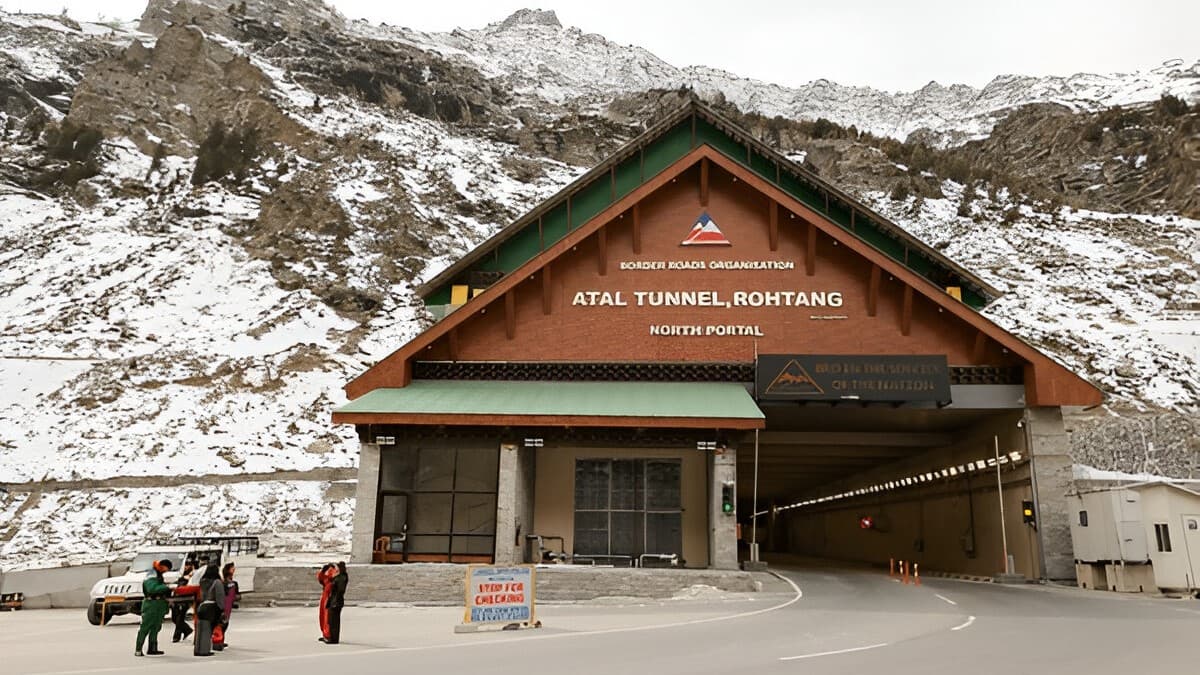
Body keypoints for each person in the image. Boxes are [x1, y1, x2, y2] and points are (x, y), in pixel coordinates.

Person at [135, 559, 172, 657]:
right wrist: (167, 587)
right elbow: (152, 589)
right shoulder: (151, 575)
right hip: (151, 604)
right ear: (163, 566)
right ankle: (138, 649)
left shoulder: (158, 574)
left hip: (159, 604)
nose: (166, 571)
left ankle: (153, 648)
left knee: (156, 627)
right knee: (145, 627)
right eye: (166, 569)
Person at [193, 563, 225, 657]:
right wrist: (221, 609)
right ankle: (204, 650)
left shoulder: (202, 581)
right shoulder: (217, 582)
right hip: (211, 607)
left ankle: (197, 649)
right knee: (207, 630)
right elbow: (220, 596)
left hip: (201, 606)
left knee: (200, 629)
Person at [213, 562, 238, 651]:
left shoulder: (233, 582)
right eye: (232, 568)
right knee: (222, 623)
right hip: (224, 604)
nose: (234, 569)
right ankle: (218, 640)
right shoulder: (223, 582)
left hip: (229, 606)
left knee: (224, 623)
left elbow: (236, 595)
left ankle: (221, 640)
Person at [322, 562, 348, 645]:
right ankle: (332, 637)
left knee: (334, 621)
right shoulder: (341, 577)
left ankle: (333, 639)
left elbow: (340, 589)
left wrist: (333, 585)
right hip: (334, 600)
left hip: (336, 601)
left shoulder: (341, 577)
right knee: (332, 620)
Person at [170, 560, 195, 643]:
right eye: (185, 565)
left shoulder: (193, 577)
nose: (186, 567)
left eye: (188, 565)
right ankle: (187, 630)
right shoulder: (182, 575)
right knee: (174, 618)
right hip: (176, 598)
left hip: (185, 600)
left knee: (179, 619)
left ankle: (176, 636)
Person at [316, 563, 335, 642]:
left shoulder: (333, 575)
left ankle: (328, 635)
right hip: (325, 595)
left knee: (327, 617)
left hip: (329, 596)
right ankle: (325, 633)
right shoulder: (326, 575)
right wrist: (322, 570)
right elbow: (320, 578)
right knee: (323, 616)